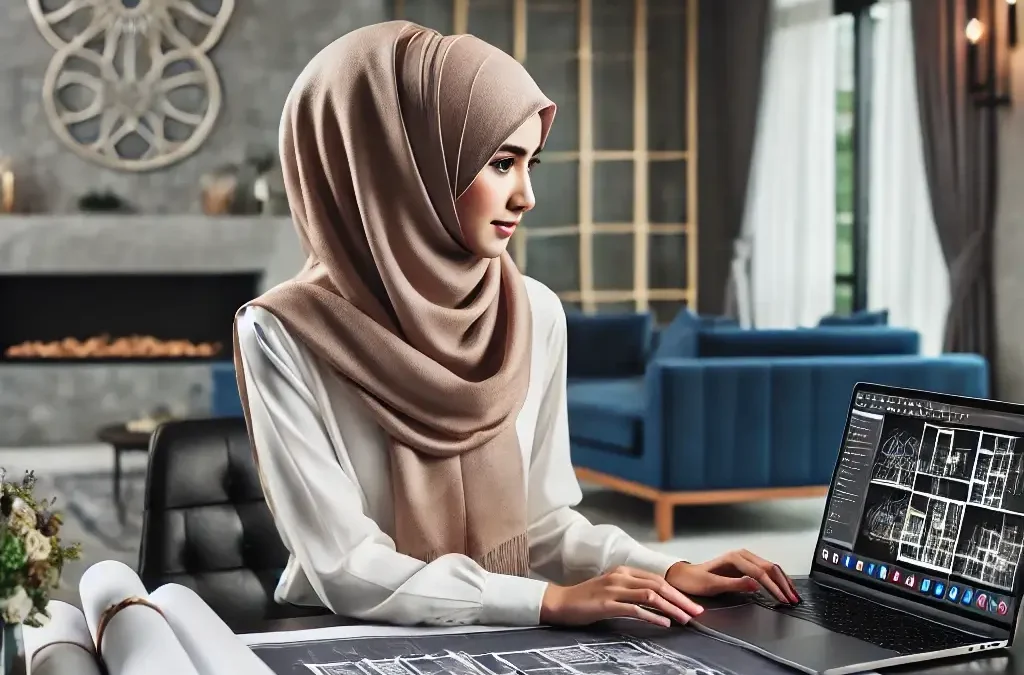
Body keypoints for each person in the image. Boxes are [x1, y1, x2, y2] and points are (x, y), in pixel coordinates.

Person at [231, 20, 800, 629]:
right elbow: (344, 566)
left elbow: (542, 525)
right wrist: (544, 601)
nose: (527, 195)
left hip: (500, 630)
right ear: (405, 170)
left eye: (531, 163)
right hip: (342, 636)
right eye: (502, 163)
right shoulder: (282, 332)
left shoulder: (533, 313)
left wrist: (664, 571)